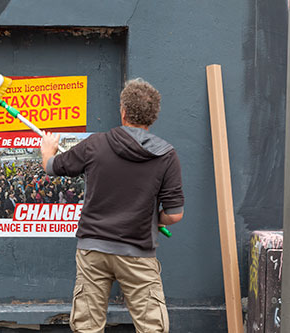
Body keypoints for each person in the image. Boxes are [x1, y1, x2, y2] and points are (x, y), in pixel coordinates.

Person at [41, 78, 184, 333]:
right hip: (138, 252)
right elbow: (174, 215)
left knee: (87, 326)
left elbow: (52, 167)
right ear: (153, 118)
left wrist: (47, 150)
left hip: (93, 250)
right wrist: (155, 219)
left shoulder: (95, 144)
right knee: (152, 327)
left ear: (123, 111)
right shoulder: (166, 155)